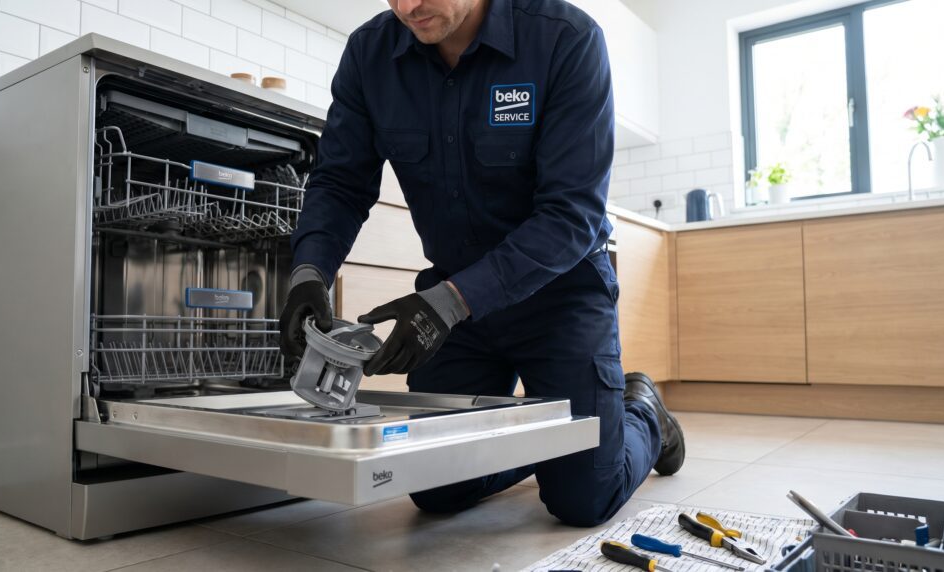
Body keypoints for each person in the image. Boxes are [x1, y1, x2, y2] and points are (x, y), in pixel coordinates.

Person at [279, 0, 685, 527]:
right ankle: (550, 448)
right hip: (457, 299)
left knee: (584, 499)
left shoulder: (566, 38)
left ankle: (644, 411)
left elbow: (571, 214)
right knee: (439, 488)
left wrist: (448, 304)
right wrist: (309, 273)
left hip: (560, 294)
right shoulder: (368, 54)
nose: (408, 6)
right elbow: (340, 182)